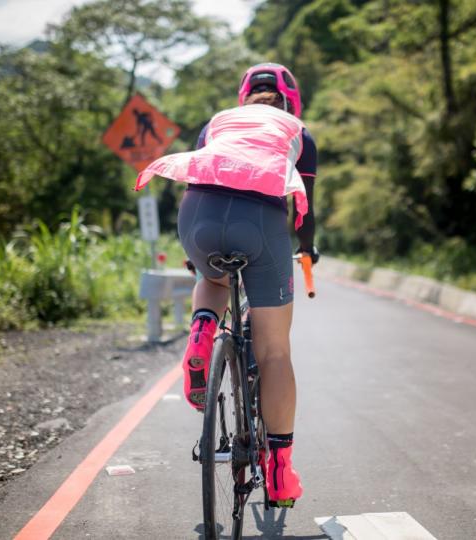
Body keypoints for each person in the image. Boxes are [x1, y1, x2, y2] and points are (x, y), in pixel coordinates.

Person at [133, 63, 317, 506]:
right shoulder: (299, 132)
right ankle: (279, 473)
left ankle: (202, 332)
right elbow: (303, 208)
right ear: (290, 100)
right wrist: (307, 249)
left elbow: (199, 177)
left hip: (199, 217)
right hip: (260, 219)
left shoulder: (217, 123)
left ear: (243, 98)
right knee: (273, 352)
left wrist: (196, 245)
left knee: (212, 279)